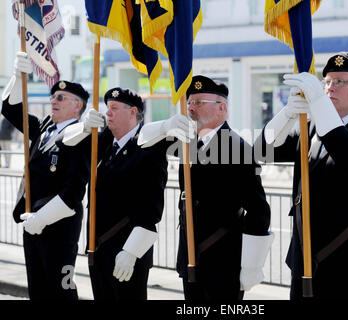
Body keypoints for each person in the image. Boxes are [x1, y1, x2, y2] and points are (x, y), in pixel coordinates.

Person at [254, 52, 348, 300]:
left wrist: (319, 102)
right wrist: (286, 115)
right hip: (306, 258)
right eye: (327, 82)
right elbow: (261, 151)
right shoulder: (310, 127)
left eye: (339, 82)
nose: (330, 88)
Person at [137, 75, 274, 301]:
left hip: (224, 258)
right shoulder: (187, 141)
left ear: (221, 108)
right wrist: (165, 125)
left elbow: (259, 210)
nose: (191, 108)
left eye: (199, 103)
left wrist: (251, 265)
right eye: (189, 102)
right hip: (191, 256)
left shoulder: (238, 148)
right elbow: (143, 141)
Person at [62, 87, 168, 300]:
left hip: (127, 250)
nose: (107, 113)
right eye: (107, 108)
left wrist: (131, 251)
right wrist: (83, 127)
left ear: (133, 112)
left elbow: (151, 208)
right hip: (99, 247)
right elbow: (63, 143)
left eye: (114, 108)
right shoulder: (105, 142)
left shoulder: (149, 148)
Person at [1, 52, 90, 300]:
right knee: (38, 291)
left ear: (78, 105)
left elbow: (73, 192)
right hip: (32, 222)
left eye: (61, 97)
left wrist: (42, 218)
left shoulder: (81, 134)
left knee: (61, 291)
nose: (54, 101)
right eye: (52, 97)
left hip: (59, 227)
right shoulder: (43, 129)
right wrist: (19, 77)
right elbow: (9, 108)